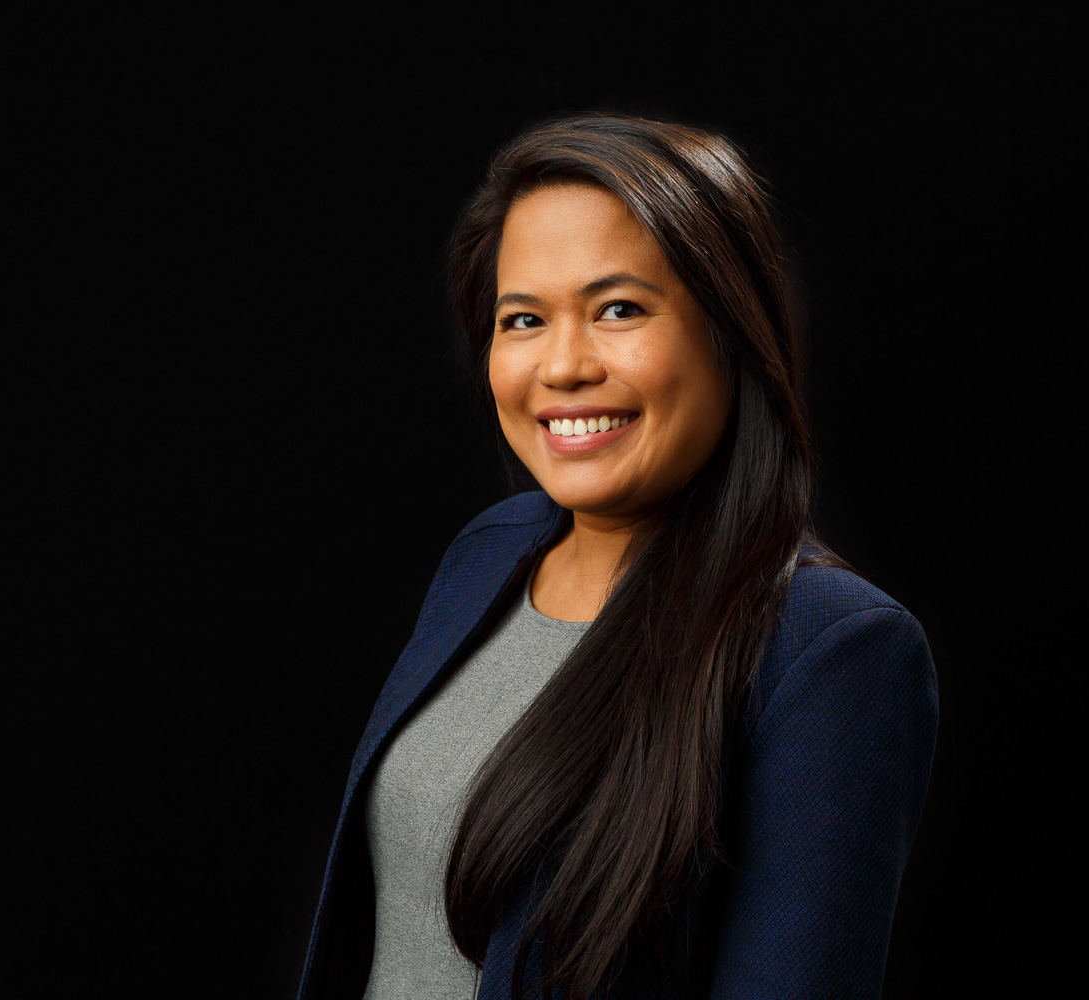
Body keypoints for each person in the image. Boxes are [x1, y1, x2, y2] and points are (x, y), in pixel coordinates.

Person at [296, 113, 939, 1000]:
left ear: (731, 330)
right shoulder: (487, 558)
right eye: (522, 319)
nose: (561, 366)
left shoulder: (829, 651)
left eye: (620, 310)